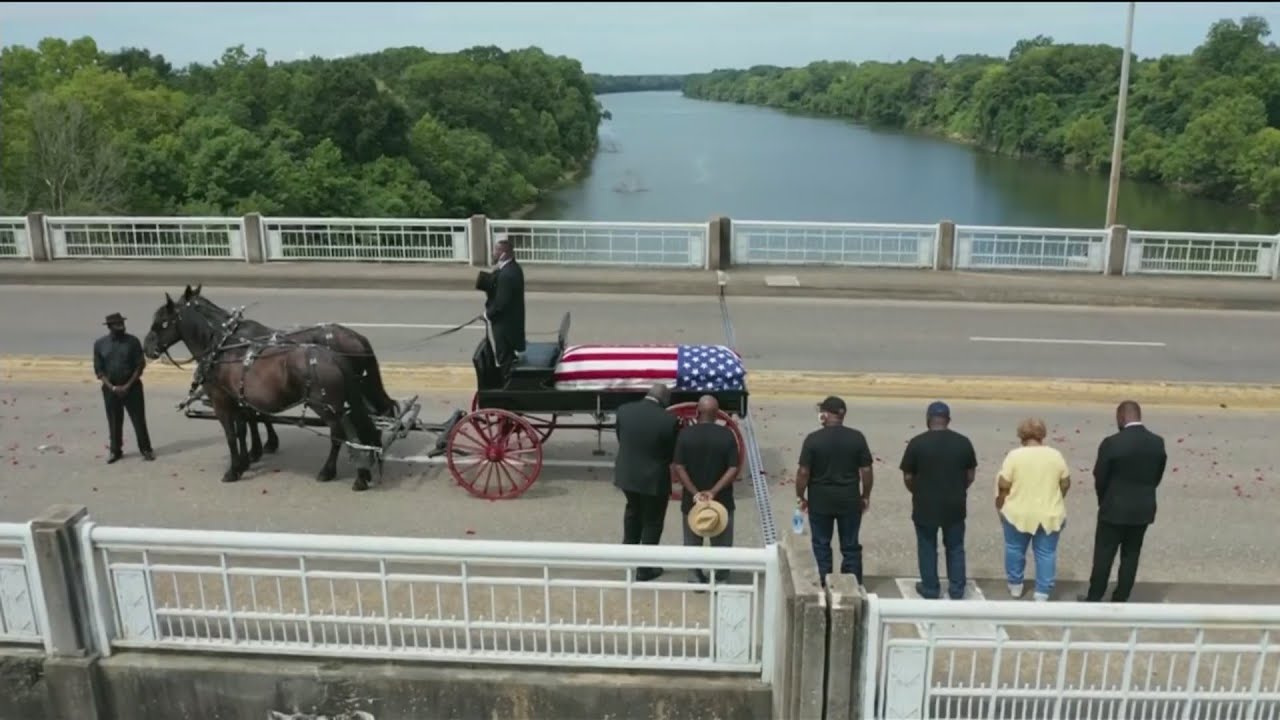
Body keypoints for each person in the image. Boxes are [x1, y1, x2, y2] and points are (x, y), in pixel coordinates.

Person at [1079, 401, 1167, 603]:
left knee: (1104, 555)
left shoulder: (1112, 443)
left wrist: (1104, 499)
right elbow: (1157, 475)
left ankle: (1095, 596)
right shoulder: (1157, 442)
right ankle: (1121, 596)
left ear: (1121, 417)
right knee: (1131, 554)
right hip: (1143, 508)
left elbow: (1100, 476)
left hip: (1114, 507)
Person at [900, 401, 977, 600]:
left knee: (927, 546)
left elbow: (908, 476)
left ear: (928, 420)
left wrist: (917, 491)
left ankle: (930, 588)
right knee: (955, 547)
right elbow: (970, 475)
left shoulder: (917, 443)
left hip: (925, 504)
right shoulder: (963, 442)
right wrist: (959, 489)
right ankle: (957, 588)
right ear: (948, 420)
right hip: (955, 504)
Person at [794, 396, 874, 586]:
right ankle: (852, 584)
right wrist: (865, 496)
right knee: (850, 546)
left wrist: (800, 495)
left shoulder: (813, 439)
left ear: (827, 414)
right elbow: (867, 470)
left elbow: (803, 472)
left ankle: (823, 583)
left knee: (821, 545)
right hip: (849, 500)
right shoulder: (857, 437)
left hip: (820, 502)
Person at [995, 418, 1071, 601]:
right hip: (1049, 512)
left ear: (1021, 435)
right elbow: (1065, 483)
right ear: (1042, 435)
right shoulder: (1055, 455)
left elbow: (1004, 483)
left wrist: (1000, 502)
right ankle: (1042, 591)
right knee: (1046, 553)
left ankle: (1015, 585)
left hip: (1018, 512)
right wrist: (1057, 497)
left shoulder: (1015, 456)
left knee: (1014, 548)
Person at [613, 383, 681, 581]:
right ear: (665, 400)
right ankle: (645, 568)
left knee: (633, 512)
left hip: (627, 475)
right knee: (652, 521)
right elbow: (671, 452)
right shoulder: (669, 420)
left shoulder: (624, 411)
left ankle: (628, 557)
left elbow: (621, 438)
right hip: (654, 478)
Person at [673, 395, 740, 583]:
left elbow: (679, 466)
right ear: (717, 414)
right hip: (722, 500)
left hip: (692, 501)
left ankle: (695, 575)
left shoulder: (685, 434)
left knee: (692, 540)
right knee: (722, 543)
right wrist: (714, 491)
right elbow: (733, 467)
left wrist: (695, 492)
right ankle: (721, 576)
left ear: (697, 412)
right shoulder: (727, 435)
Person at [93, 312, 155, 464]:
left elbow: (140, 366)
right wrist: (113, 388)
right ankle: (115, 451)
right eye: (117, 324)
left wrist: (127, 386)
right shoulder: (100, 344)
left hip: (132, 388)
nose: (121, 326)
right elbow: (99, 370)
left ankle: (146, 449)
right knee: (114, 421)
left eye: (122, 323)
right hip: (110, 390)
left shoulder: (132, 342)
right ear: (109, 327)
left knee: (138, 420)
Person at [484, 235, 526, 371]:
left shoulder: (506, 275)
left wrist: (487, 314)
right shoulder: (514, 268)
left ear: (503, 254)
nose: (493, 253)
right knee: (509, 356)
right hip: (512, 324)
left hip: (505, 327)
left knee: (504, 357)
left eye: (496, 251)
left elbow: (501, 303)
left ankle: (507, 384)